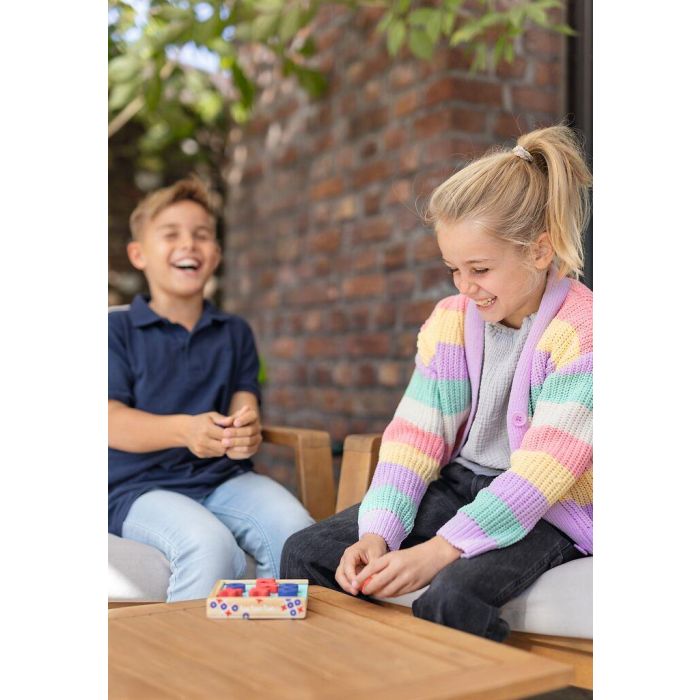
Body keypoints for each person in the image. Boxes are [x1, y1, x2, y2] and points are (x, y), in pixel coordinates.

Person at [281, 125, 592, 641]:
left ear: (540, 252)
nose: (466, 287)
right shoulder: (451, 321)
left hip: (548, 507)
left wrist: (439, 551)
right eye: (453, 270)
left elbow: (540, 476)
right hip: (460, 483)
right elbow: (414, 439)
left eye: (480, 269)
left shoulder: (584, 334)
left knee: (452, 596)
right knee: (306, 552)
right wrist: (378, 532)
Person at [109, 177, 314, 602]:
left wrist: (245, 432)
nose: (189, 244)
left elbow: (244, 401)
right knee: (211, 547)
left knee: (296, 534)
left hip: (223, 478)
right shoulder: (116, 329)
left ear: (216, 255)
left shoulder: (234, 331)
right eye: (171, 234)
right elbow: (109, 421)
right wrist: (186, 430)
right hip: (139, 488)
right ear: (139, 254)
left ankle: (269, 641)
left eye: (201, 235)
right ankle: (187, 649)